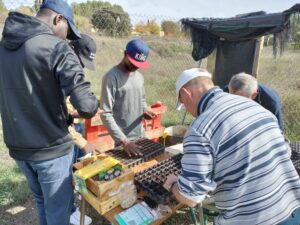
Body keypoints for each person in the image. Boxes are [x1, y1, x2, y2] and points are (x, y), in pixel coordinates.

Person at [0, 1, 98, 225]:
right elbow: (87, 106)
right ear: (58, 20)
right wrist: (92, 103)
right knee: (58, 213)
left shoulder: (4, 46)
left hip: (19, 147)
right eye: (68, 32)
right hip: (50, 149)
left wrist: (65, 114)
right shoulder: (55, 47)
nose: (68, 38)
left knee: (42, 202)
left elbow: (27, 96)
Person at [163, 68, 300, 225]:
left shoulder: (200, 129)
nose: (186, 109)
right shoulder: (254, 106)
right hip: (292, 209)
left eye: (183, 104)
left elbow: (191, 197)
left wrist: (174, 184)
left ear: (187, 94)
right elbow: (285, 150)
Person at [100, 39, 155, 157]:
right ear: (125, 54)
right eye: (133, 63)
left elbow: (142, 100)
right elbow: (105, 113)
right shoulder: (111, 77)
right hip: (123, 142)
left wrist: (145, 110)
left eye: (139, 64)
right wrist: (124, 141)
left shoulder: (139, 76)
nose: (136, 67)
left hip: (141, 135)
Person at [68, 33, 99, 225]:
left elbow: (67, 108)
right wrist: (83, 142)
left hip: (72, 125)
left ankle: (74, 200)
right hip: (64, 132)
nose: (81, 66)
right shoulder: (60, 66)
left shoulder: (71, 67)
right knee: (67, 172)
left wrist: (78, 113)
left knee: (76, 165)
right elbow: (58, 117)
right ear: (72, 49)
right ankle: (69, 209)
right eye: (81, 61)